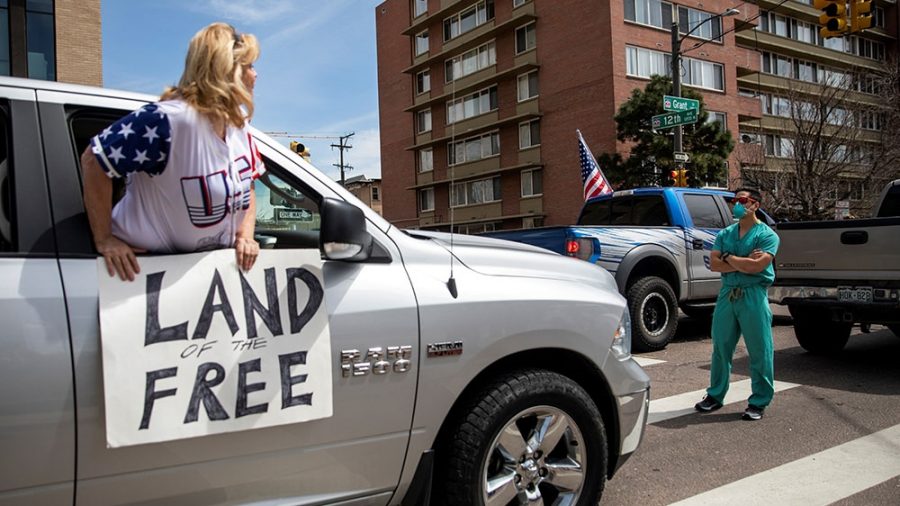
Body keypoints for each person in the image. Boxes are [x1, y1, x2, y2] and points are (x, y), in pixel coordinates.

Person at [81, 22, 264, 281]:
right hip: (139, 274)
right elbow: (93, 160)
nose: (255, 75)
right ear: (226, 70)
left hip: (201, 277)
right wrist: (104, 238)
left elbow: (250, 182)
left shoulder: (239, 126)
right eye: (248, 66)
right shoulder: (166, 120)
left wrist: (245, 236)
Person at [695, 188, 780, 421]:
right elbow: (714, 265)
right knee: (721, 347)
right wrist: (741, 261)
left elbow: (757, 267)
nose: (736, 205)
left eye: (742, 201)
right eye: (734, 201)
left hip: (753, 295)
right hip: (727, 294)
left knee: (760, 350)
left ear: (755, 205)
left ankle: (759, 401)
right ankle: (715, 395)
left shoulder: (767, 235)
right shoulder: (725, 233)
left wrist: (728, 258)